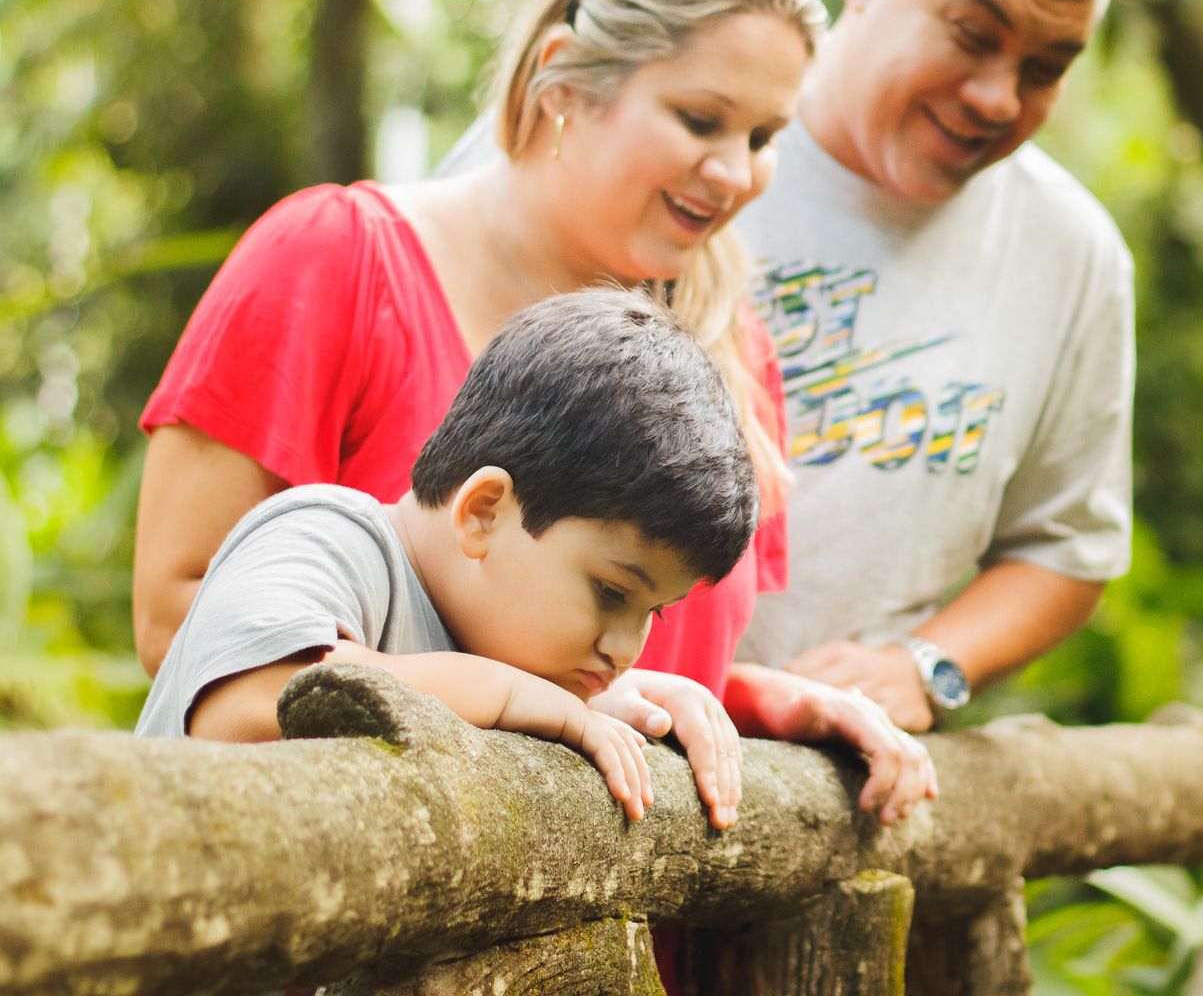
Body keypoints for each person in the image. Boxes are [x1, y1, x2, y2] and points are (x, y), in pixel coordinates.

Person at [132, 0, 934, 832]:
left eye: (762, 138)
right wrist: (527, 706)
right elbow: (190, 631)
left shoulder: (736, 357)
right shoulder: (335, 259)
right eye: (700, 118)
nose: (735, 173)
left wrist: (768, 706)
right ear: (561, 80)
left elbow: (642, 660)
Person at [733, 0, 1136, 732]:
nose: (998, 98)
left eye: (1044, 70)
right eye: (973, 36)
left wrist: (925, 666)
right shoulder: (680, 137)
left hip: (847, 791)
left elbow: (1068, 544)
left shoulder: (1071, 253)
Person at [137, 290, 758, 823]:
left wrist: (595, 702)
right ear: (484, 511)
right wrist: (515, 697)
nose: (626, 649)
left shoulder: (492, 637)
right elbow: (248, 705)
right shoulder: (326, 536)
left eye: (658, 612)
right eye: (613, 593)